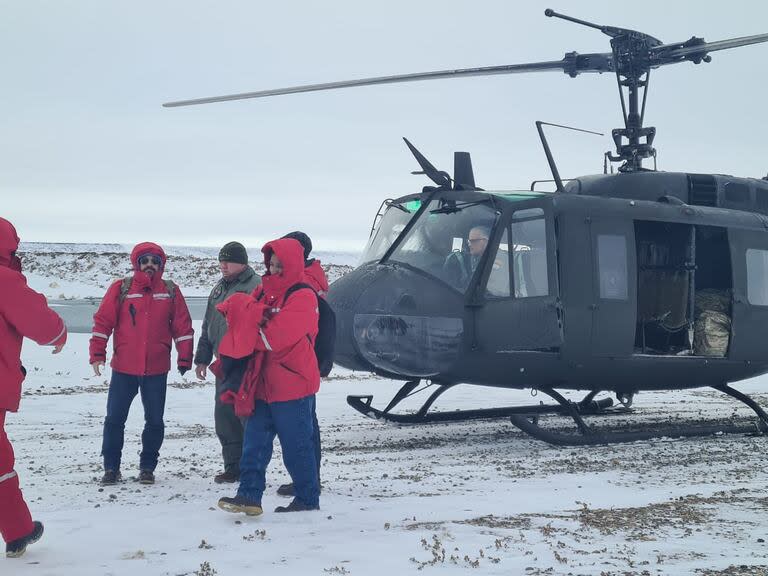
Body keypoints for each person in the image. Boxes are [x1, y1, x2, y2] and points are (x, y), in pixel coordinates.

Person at [217, 237, 320, 515]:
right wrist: (240, 314)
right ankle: (248, 496)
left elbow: (275, 337)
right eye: (271, 264)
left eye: (280, 266)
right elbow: (241, 323)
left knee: (297, 447)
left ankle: (308, 499)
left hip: (292, 386)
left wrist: (249, 325)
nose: (273, 270)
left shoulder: (303, 295)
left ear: (293, 265)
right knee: (254, 445)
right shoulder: (263, 293)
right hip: (261, 384)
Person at [89, 242, 194, 486]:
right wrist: (97, 354)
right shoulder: (121, 288)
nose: (150, 265)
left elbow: (182, 326)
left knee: (155, 420)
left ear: (161, 265)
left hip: (156, 370)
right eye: (145, 260)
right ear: (137, 263)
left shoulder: (170, 290)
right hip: (124, 368)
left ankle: (147, 467)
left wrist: (185, 356)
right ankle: (111, 468)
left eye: (155, 261)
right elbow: (103, 322)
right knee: (114, 419)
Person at [0, 217, 67, 558]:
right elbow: (41, 322)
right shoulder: (4, 280)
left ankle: (18, 531)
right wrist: (59, 335)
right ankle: (18, 531)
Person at [194, 242, 261, 484]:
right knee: (224, 417)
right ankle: (232, 466)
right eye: (220, 261)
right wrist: (202, 357)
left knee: (247, 417)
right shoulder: (218, 289)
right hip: (223, 363)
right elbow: (207, 326)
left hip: (247, 364)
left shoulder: (256, 286)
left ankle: (252, 466)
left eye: (228, 261)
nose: (222, 265)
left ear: (242, 262)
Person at [276, 231, 328, 497]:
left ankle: (309, 480)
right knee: (305, 421)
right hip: (303, 360)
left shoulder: (303, 282)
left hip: (299, 362)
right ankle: (308, 477)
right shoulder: (311, 278)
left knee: (303, 423)